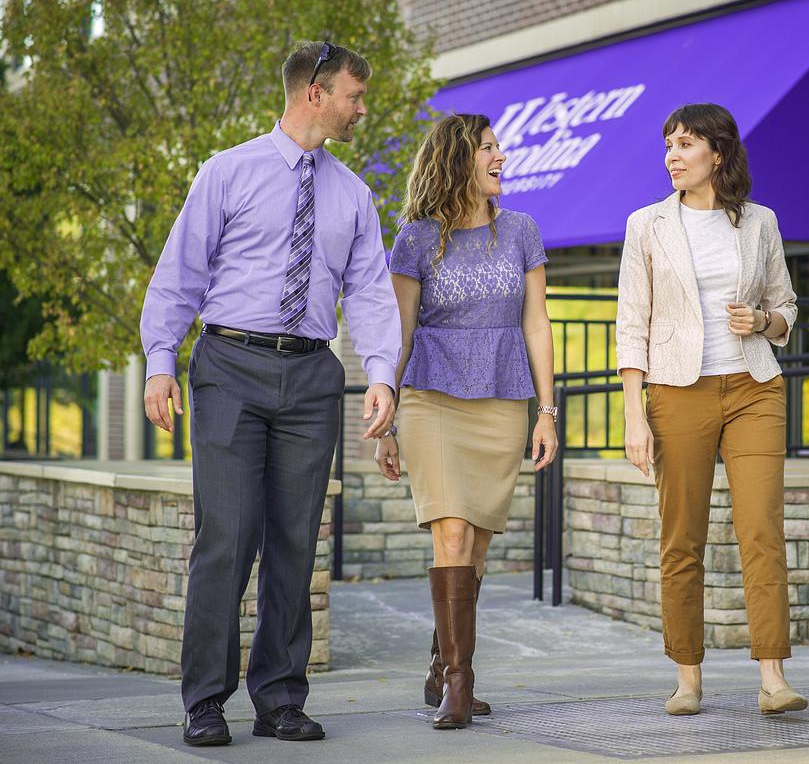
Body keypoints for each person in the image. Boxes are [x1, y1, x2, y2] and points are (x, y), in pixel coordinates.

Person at [140, 41, 401, 746]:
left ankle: (281, 696)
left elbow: (372, 293)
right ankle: (204, 701)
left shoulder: (353, 194)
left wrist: (381, 375)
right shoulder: (228, 172)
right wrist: (160, 362)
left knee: (295, 540)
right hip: (229, 365)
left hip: (313, 376)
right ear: (315, 93)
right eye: (354, 94)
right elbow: (179, 273)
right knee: (225, 537)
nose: (362, 107)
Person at [616, 103, 807, 717]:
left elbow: (787, 306)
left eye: (686, 143)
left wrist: (765, 321)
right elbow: (631, 325)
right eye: (668, 145)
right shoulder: (646, 225)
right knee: (683, 537)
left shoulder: (760, 223)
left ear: (717, 154)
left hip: (754, 385)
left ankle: (773, 677)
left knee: (761, 530)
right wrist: (633, 415)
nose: (673, 154)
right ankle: (687, 677)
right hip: (678, 390)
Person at [373, 113, 558, 730]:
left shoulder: (523, 231)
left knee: (475, 546)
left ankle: (439, 662)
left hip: (503, 400)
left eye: (498, 146)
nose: (500, 156)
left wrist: (546, 410)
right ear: (459, 160)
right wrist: (385, 411)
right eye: (488, 147)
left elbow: (537, 323)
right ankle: (460, 682)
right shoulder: (417, 239)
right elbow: (398, 332)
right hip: (433, 397)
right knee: (450, 534)